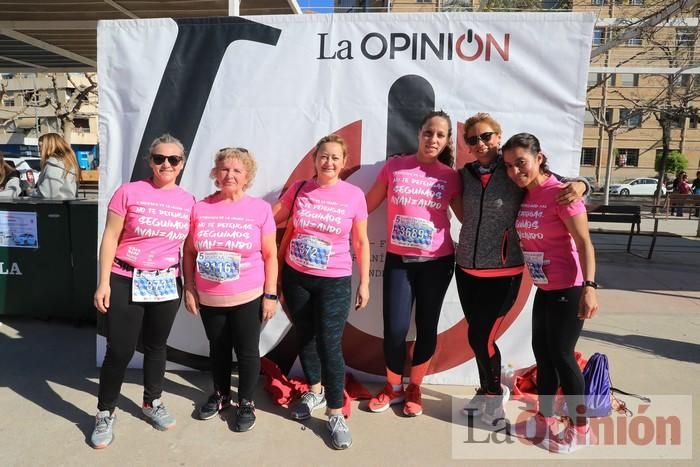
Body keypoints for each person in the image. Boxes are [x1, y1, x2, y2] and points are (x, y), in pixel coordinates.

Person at [456, 113, 588, 426]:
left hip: (503, 274)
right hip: (466, 271)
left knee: (482, 338)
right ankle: (486, 388)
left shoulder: (514, 170)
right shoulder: (466, 174)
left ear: (498, 137)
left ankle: (494, 398)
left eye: (486, 136)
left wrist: (584, 184)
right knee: (477, 339)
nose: (480, 144)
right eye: (473, 139)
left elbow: (560, 185)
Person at [91, 134, 195, 449]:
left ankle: (152, 401)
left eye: (173, 159)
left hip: (166, 282)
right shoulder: (129, 192)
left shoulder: (188, 200)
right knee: (120, 350)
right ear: (150, 161)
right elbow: (110, 237)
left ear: (182, 164)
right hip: (125, 278)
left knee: (156, 346)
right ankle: (105, 413)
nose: (166, 164)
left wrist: (188, 285)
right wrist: (103, 282)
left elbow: (188, 248)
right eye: (159, 158)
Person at [272, 134, 370, 450]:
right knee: (305, 334)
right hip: (296, 277)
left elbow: (361, 242)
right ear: (315, 159)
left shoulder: (353, 195)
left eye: (334, 157)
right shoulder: (300, 189)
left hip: (335, 280)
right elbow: (273, 220)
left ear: (343, 162)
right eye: (323, 156)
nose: (328, 162)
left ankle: (335, 412)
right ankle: (314, 389)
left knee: (329, 342)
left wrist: (365, 282)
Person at [502, 133, 598, 454]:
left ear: (539, 157)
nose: (516, 171)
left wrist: (590, 288)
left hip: (569, 288)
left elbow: (584, 243)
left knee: (563, 356)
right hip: (545, 288)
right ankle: (544, 419)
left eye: (521, 163)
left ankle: (581, 428)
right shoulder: (527, 195)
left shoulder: (561, 194)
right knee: (543, 357)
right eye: (510, 166)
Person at [365, 110, 462, 417]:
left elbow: (466, 218)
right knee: (394, 328)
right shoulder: (396, 167)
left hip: (438, 261)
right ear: (420, 133)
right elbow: (366, 205)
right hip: (399, 261)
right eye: (429, 132)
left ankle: (414, 387)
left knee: (426, 327)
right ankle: (392, 386)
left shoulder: (450, 175)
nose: (433, 139)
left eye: (440, 135)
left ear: (447, 141)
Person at [183, 147, 278, 433]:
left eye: (237, 170)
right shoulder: (199, 208)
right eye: (224, 169)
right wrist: (189, 287)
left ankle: (246, 402)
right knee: (218, 349)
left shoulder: (259, 209)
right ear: (215, 173)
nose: (230, 175)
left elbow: (271, 254)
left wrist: (270, 294)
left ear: (247, 176)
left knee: (247, 351)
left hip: (248, 295)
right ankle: (222, 394)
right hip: (209, 297)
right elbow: (188, 252)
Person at [32, 133, 80, 199]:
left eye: (40, 146)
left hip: (54, 206)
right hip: (64, 205)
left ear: (49, 146)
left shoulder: (55, 164)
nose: (39, 150)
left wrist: (31, 192)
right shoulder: (65, 162)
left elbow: (47, 193)